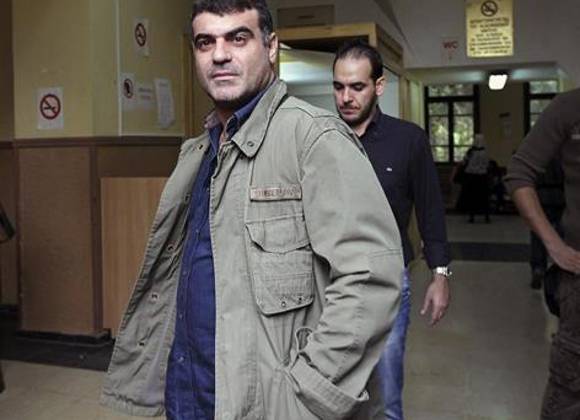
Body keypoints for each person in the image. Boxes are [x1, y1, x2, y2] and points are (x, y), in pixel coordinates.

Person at [101, 1, 404, 419]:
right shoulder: (196, 154)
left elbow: (370, 278)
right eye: (205, 42)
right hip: (190, 394)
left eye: (238, 38)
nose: (219, 54)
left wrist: (308, 393)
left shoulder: (315, 138)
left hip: (270, 405)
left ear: (271, 46)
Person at [332, 40, 451, 420]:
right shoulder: (320, 138)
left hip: (386, 282)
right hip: (328, 283)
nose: (346, 97)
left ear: (379, 86)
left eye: (357, 87)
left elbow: (430, 210)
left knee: (385, 399)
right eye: (339, 87)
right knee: (331, 395)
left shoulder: (408, 140)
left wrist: (440, 275)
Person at [505, 88, 580, 419]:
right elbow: (519, 174)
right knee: (569, 395)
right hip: (577, 274)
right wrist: (555, 246)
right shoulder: (569, 107)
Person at [529, 159, 565, 289]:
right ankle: (561, 266)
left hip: (540, 197)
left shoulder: (537, 157)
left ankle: (538, 267)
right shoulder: (562, 157)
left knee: (538, 234)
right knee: (561, 234)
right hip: (560, 197)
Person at [457, 134, 491, 223]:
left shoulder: (471, 152)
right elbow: (487, 164)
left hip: (472, 177)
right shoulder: (485, 152)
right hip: (482, 177)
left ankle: (472, 216)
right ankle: (486, 216)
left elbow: (464, 162)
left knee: (472, 197)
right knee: (483, 197)